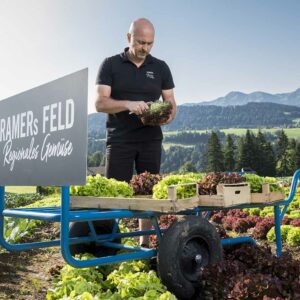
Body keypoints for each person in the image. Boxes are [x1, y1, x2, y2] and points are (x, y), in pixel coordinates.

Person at [95, 18, 176, 246]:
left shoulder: (160, 67)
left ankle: (144, 243)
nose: (145, 48)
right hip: (119, 139)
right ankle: (109, 244)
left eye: (150, 43)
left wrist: (168, 116)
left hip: (150, 139)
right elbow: (100, 103)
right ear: (129, 38)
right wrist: (128, 104)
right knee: (114, 194)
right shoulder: (110, 65)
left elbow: (170, 101)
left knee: (148, 194)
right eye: (141, 42)